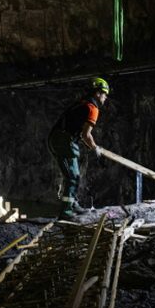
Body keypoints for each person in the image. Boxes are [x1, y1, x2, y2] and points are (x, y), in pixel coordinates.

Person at [47, 77, 109, 220]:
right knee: (73, 176)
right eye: (104, 94)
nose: (105, 98)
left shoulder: (82, 103)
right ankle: (66, 211)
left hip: (56, 138)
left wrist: (90, 145)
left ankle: (72, 204)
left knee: (71, 175)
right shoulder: (93, 108)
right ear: (98, 93)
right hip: (64, 140)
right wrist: (95, 149)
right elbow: (86, 135)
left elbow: (80, 133)